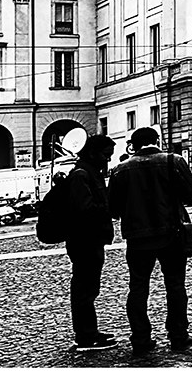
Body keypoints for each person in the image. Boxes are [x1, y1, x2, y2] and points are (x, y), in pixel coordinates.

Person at [108, 127, 192, 356]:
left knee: (138, 288)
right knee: (176, 286)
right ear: (156, 141)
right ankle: (178, 335)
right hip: (172, 234)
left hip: (138, 239)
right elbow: (191, 194)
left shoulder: (120, 169)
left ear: (133, 145)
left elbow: (113, 209)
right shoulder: (173, 161)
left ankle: (141, 338)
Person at [65, 134, 117, 350]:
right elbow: (85, 210)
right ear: (93, 154)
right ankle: (85, 337)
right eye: (106, 156)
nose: (108, 161)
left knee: (88, 289)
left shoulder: (89, 172)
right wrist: (110, 208)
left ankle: (90, 331)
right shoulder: (81, 175)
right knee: (84, 290)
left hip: (91, 239)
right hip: (85, 240)